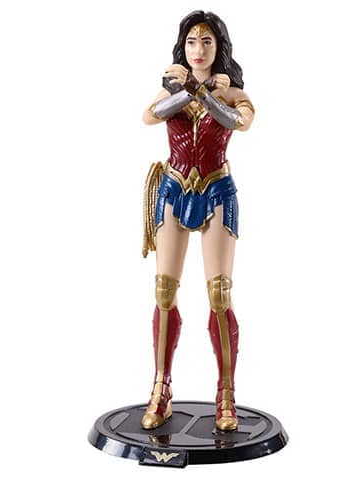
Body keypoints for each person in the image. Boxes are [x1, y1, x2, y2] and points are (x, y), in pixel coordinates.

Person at [140, 10, 255, 432]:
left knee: (219, 293)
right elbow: (150, 115)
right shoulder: (171, 88)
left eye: (207, 41)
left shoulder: (234, 94)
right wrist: (188, 89)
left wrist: (205, 93)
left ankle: (226, 393)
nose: (199, 49)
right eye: (192, 42)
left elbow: (239, 121)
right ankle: (161, 386)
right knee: (164, 291)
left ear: (218, 47)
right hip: (174, 189)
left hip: (216, 189)